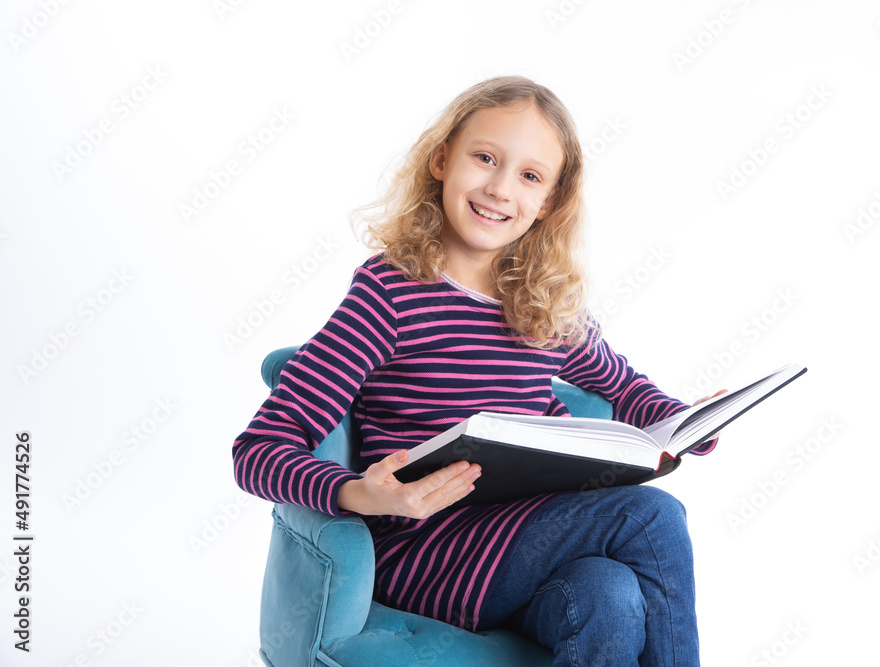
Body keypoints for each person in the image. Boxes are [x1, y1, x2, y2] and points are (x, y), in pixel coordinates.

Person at [232, 75, 724, 666]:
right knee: (651, 516)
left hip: (520, 552)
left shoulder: (544, 305)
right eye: (485, 158)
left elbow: (628, 391)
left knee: (609, 596)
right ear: (442, 159)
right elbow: (257, 449)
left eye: (529, 176)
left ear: (549, 203)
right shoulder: (389, 293)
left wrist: (692, 425)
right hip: (425, 552)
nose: (499, 188)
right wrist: (358, 492)